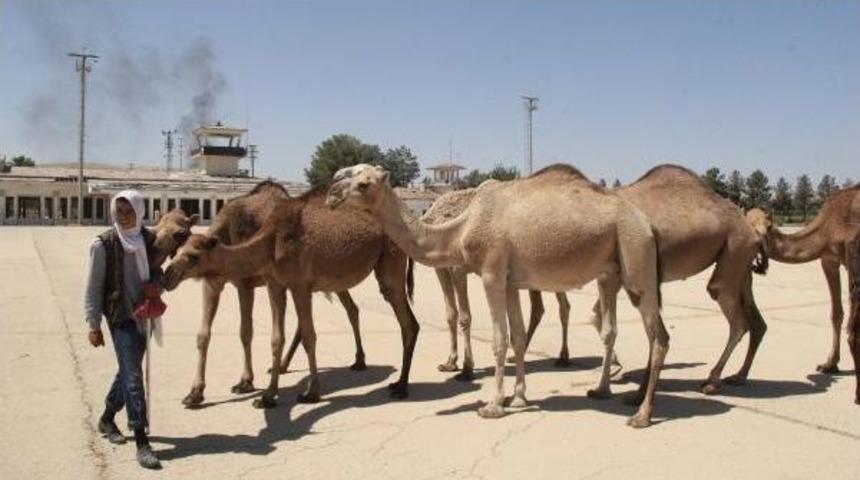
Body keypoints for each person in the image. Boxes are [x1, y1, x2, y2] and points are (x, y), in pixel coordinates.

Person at [84, 190, 163, 469]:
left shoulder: (148, 239)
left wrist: (158, 285)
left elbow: (159, 272)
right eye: (119, 211)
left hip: (145, 316)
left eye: (129, 211)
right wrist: (93, 324)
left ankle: (106, 418)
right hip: (120, 317)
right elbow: (93, 287)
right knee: (133, 377)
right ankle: (141, 441)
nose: (124, 216)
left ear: (139, 211)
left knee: (126, 372)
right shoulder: (103, 244)